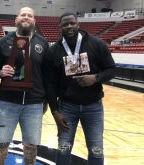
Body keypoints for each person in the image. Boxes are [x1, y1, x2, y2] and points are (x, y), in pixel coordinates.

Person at [43, 12, 116, 165]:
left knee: (96, 150)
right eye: (65, 24)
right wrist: (55, 112)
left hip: (93, 107)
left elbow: (112, 70)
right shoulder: (53, 51)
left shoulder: (96, 44)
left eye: (72, 23)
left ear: (78, 24)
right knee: (63, 149)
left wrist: (95, 78)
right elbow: (50, 84)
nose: (69, 26)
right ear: (60, 27)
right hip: (66, 107)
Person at [0, 6, 49, 165]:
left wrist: (46, 100)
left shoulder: (42, 43)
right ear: (16, 19)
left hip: (34, 103)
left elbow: (47, 74)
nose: (26, 17)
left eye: (29, 15)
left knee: (31, 144)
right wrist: (1, 72)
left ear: (34, 21)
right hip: (7, 101)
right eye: (23, 15)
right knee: (2, 142)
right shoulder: (4, 41)